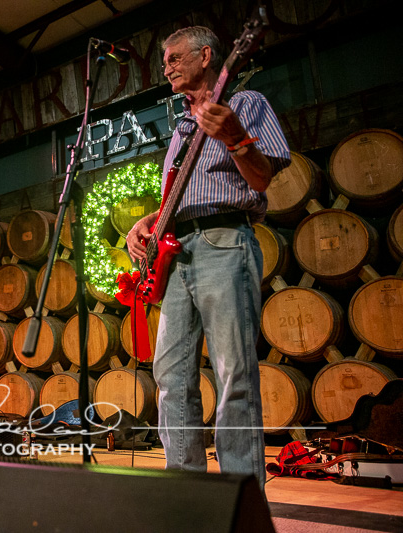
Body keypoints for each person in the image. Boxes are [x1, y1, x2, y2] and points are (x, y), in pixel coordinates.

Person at [125, 27, 290, 488]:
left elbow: (260, 178)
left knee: (233, 371)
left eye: (175, 57)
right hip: (176, 255)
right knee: (171, 376)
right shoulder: (181, 128)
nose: (167, 67)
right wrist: (147, 224)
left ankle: (242, 499)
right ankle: (186, 493)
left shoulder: (247, 103)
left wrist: (235, 137)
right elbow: (178, 200)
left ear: (206, 56)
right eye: (164, 61)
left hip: (224, 240)